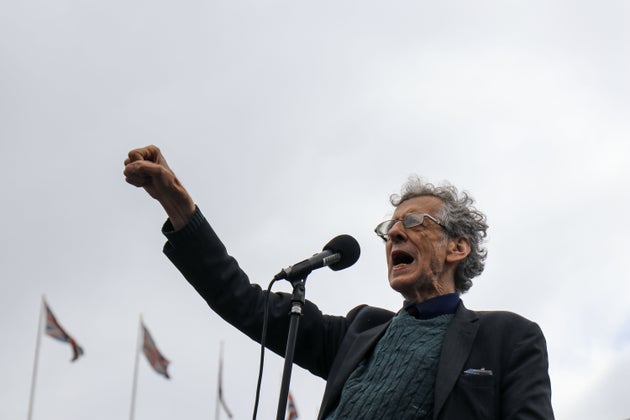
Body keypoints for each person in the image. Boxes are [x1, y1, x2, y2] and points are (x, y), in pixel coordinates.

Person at [124, 145, 554, 419]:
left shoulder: (509, 339)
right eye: (390, 228)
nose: (395, 235)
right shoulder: (358, 333)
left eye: (413, 222)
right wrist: (178, 206)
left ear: (458, 248)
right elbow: (242, 301)